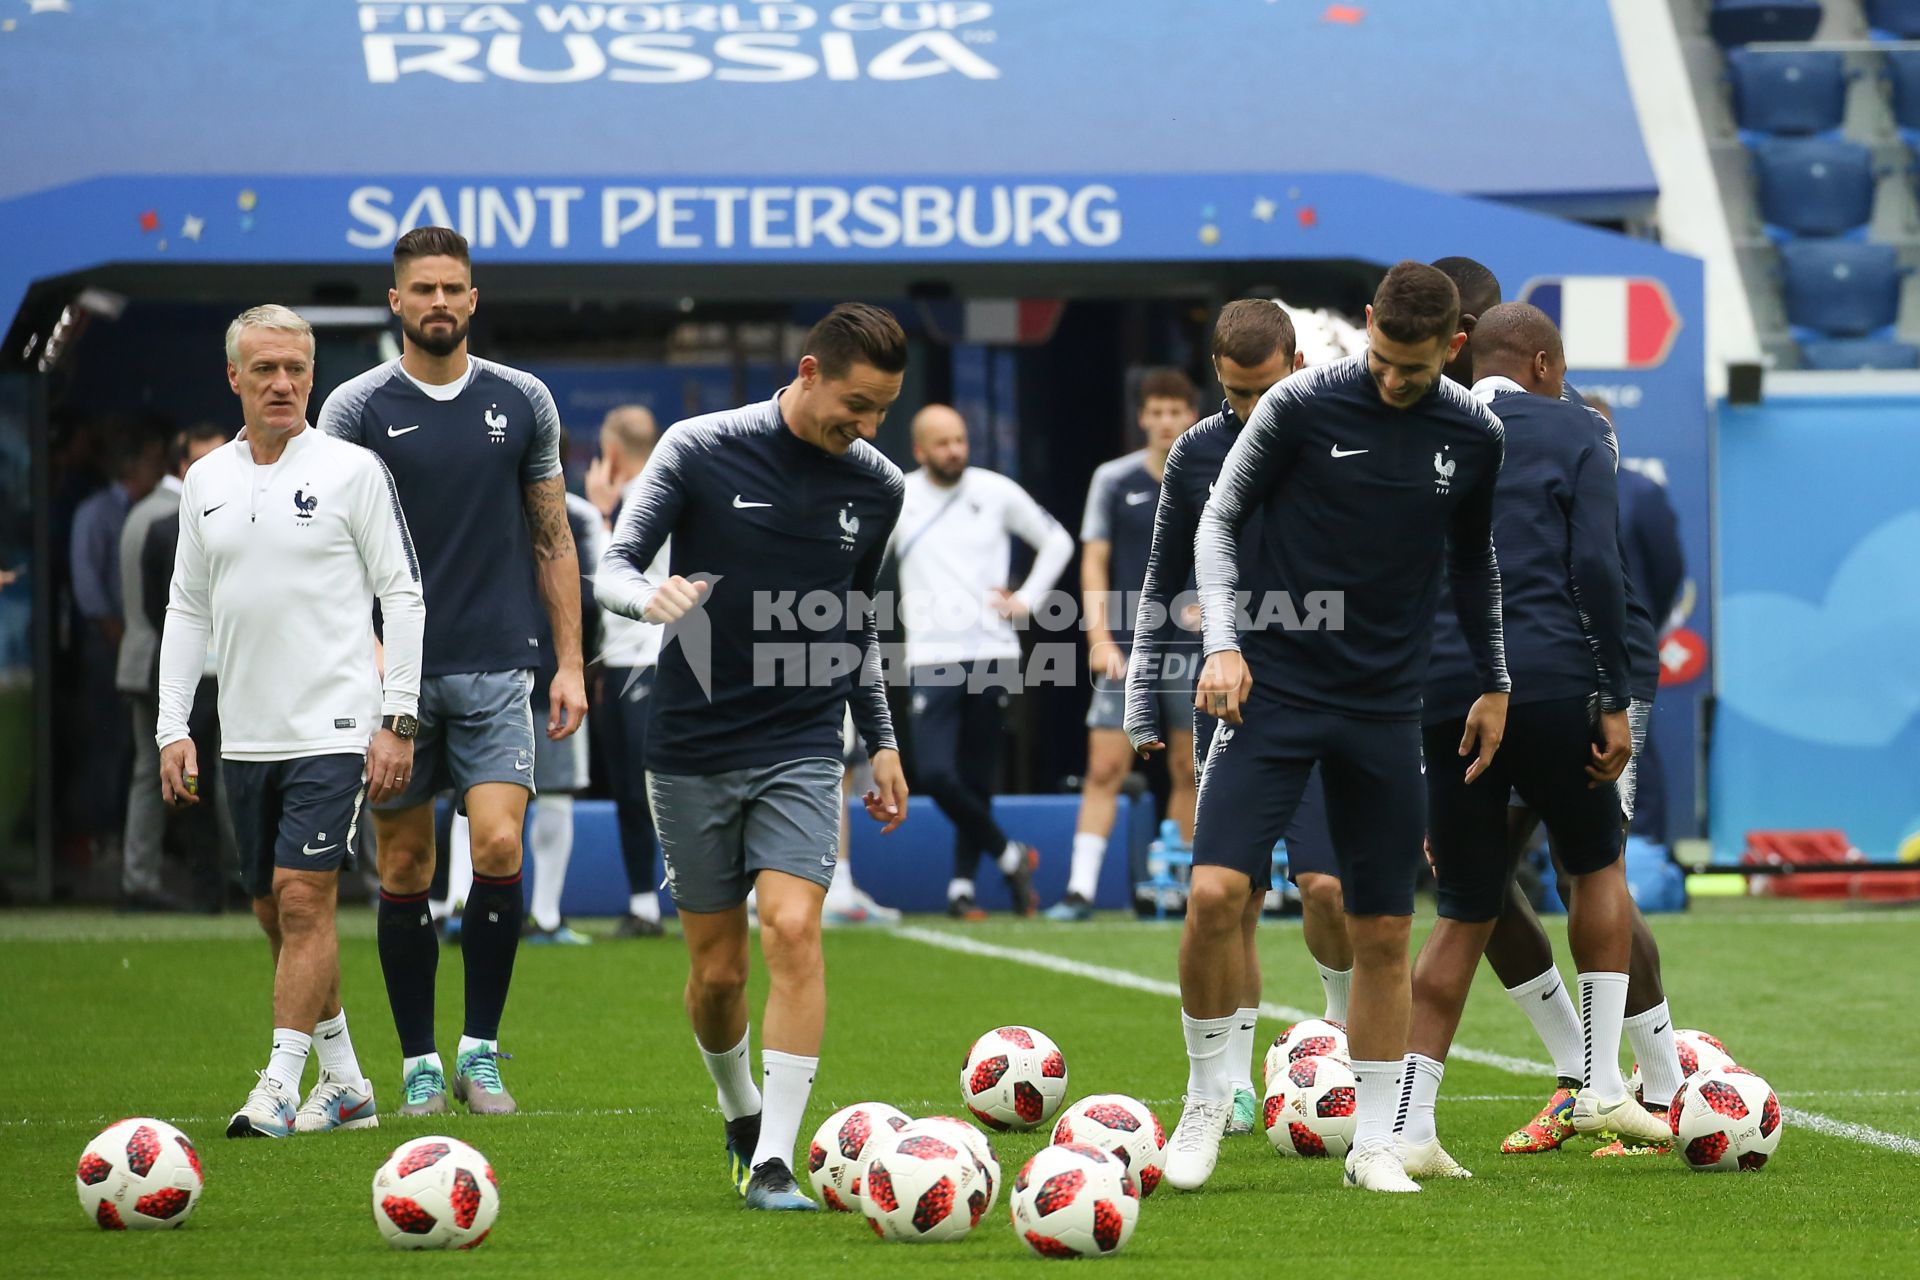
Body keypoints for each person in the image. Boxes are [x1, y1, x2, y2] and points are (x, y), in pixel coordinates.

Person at [1176, 262, 1510, 1195]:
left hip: (1384, 709)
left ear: (1451, 347)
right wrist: (1226, 645)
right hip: (1271, 691)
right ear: (1365, 326)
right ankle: (1207, 1102)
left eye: (1413, 366)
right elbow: (1219, 518)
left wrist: (1495, 681)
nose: (1393, 380)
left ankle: (1371, 1143)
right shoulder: (1299, 404)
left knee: (1382, 930)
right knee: (1213, 896)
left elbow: (1474, 563)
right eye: (1380, 357)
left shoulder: (1475, 433)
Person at [596, 303, 911, 1212]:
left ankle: (776, 1158)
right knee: (718, 973)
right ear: (808, 372)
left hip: (804, 741)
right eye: (857, 404)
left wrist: (882, 741)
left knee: (794, 930)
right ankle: (739, 1111)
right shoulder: (699, 447)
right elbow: (613, 565)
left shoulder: (877, 484)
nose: (868, 427)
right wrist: (648, 600)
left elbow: (855, 622)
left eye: (883, 410)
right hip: (690, 741)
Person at [1393, 303, 1669, 1179]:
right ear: (1547, 363)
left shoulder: (1424, 427)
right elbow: (1596, 564)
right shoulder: (1576, 426)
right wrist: (1617, 697)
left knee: (1465, 906)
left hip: (1447, 692)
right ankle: (1595, 1083)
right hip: (1551, 682)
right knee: (1594, 868)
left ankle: (1407, 1129)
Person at [318, 226, 588, 1118]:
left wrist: (571, 663)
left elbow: (553, 539)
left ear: (474, 300)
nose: (439, 301)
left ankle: (480, 1052)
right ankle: (417, 1063)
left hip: (498, 662)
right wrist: (367, 667)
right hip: (390, 673)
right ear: (396, 302)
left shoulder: (524, 399)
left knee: (499, 844)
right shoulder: (354, 408)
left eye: (454, 288)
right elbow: (332, 557)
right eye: (422, 289)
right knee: (405, 865)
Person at [157, 304, 423, 1138]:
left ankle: (276, 1085)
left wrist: (398, 716)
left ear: (313, 375)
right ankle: (345, 1082)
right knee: (274, 911)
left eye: (297, 369)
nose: (283, 384)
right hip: (246, 733)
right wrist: (173, 726)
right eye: (265, 369)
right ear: (233, 376)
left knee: (305, 900)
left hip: (337, 726)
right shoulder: (205, 481)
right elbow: (185, 610)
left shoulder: (353, 470)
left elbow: (402, 594)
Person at [1125, 300, 1353, 1139]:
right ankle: (1228, 1083)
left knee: (1328, 887)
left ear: (1297, 362)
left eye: (1261, 390)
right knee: (1232, 896)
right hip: (1235, 699)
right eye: (1232, 393)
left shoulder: (1342, 428)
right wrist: (1141, 695)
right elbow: (1158, 582)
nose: (1248, 411)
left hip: (1336, 694)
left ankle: (1333, 1037)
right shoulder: (1196, 452)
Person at [893, 403, 1070, 920]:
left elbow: (1056, 540)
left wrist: (1028, 600)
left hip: (992, 650)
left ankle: (961, 889)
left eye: (960, 440)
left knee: (974, 775)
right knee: (935, 773)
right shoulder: (899, 495)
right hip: (930, 654)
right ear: (920, 449)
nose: (955, 451)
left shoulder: (995, 490)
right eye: (943, 442)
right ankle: (1010, 854)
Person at [1057, 370, 1201, 920]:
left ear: (1190, 414)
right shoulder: (1113, 480)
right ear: (1142, 417)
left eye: (1176, 411)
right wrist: (1097, 637)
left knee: (1190, 768)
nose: (1166, 421)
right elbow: (1093, 560)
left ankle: (1182, 888)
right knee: (1104, 768)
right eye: (1156, 411)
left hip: (1193, 649)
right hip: (1125, 646)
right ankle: (1080, 890)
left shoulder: (1211, 472)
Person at [119, 423, 230, 911]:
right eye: (202, 461)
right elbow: (156, 609)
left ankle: (246, 880)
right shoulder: (162, 525)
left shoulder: (248, 518)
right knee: (174, 778)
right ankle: (170, 881)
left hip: (232, 673)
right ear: (181, 467)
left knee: (233, 779)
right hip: (182, 673)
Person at [521, 452, 607, 946]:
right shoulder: (486, 502)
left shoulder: (575, 516)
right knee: (475, 798)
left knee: (552, 792)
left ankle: (545, 916)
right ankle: (462, 906)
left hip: (549, 676)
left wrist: (578, 668)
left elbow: (592, 596)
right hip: (499, 672)